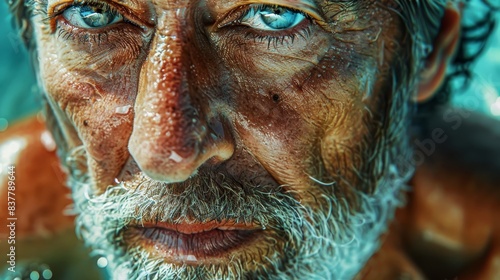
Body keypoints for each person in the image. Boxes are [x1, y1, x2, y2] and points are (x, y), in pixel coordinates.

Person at [1, 0, 499, 279]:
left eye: (273, 18)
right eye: (95, 17)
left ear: (427, 54)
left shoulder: (481, 244)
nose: (166, 152)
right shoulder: (15, 219)